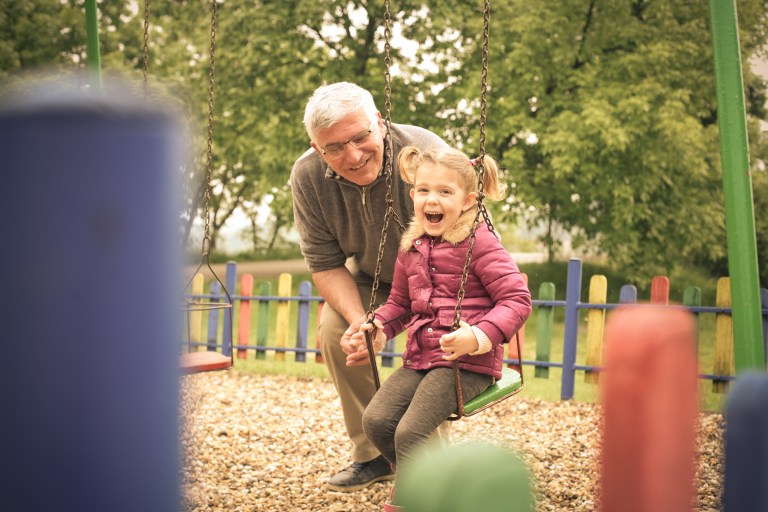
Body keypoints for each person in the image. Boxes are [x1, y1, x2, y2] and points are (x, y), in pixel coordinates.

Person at [350, 146, 532, 510]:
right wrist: (379, 324)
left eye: (445, 192)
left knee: (410, 432)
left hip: (468, 364)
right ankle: (437, 483)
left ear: (468, 201)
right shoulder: (411, 248)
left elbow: (517, 299)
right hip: (421, 357)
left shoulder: (481, 243)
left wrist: (477, 336)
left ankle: (411, 501)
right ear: (413, 195)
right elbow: (401, 304)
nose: (432, 199)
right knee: (377, 422)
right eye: (424, 190)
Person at [290, 82, 449, 492]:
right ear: (317, 148)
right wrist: (365, 323)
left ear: (379, 122)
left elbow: (470, 244)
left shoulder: (426, 156)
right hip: (373, 278)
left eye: (361, 137)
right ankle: (375, 454)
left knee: (430, 343)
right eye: (334, 147)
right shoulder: (308, 176)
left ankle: (434, 468)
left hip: (441, 277)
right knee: (337, 332)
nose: (353, 155)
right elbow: (325, 263)